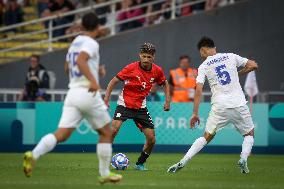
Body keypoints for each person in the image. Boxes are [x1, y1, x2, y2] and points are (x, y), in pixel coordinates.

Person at [23, 12, 122, 184]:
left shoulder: (76, 41)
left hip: (73, 93)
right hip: (87, 93)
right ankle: (104, 173)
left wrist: (95, 71)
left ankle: (34, 154)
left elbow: (68, 66)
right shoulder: (91, 43)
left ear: (82, 26)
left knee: (61, 134)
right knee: (106, 132)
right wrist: (93, 81)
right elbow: (81, 61)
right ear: (97, 27)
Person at [167, 36, 258, 174]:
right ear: (214, 48)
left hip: (219, 106)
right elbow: (253, 65)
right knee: (249, 133)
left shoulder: (203, 66)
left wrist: (195, 113)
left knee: (206, 137)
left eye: (200, 53)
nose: (201, 56)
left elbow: (198, 90)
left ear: (203, 50)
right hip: (238, 103)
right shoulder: (230, 56)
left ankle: (183, 161)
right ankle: (243, 159)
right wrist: (237, 74)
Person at [104, 43, 171, 171]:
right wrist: (106, 99)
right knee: (113, 130)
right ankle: (105, 160)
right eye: (144, 56)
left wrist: (167, 101)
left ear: (153, 57)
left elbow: (165, 83)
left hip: (141, 107)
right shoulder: (131, 68)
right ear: (140, 55)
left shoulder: (157, 70)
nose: (146, 59)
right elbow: (113, 81)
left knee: (151, 139)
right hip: (125, 104)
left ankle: (140, 164)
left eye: (149, 57)